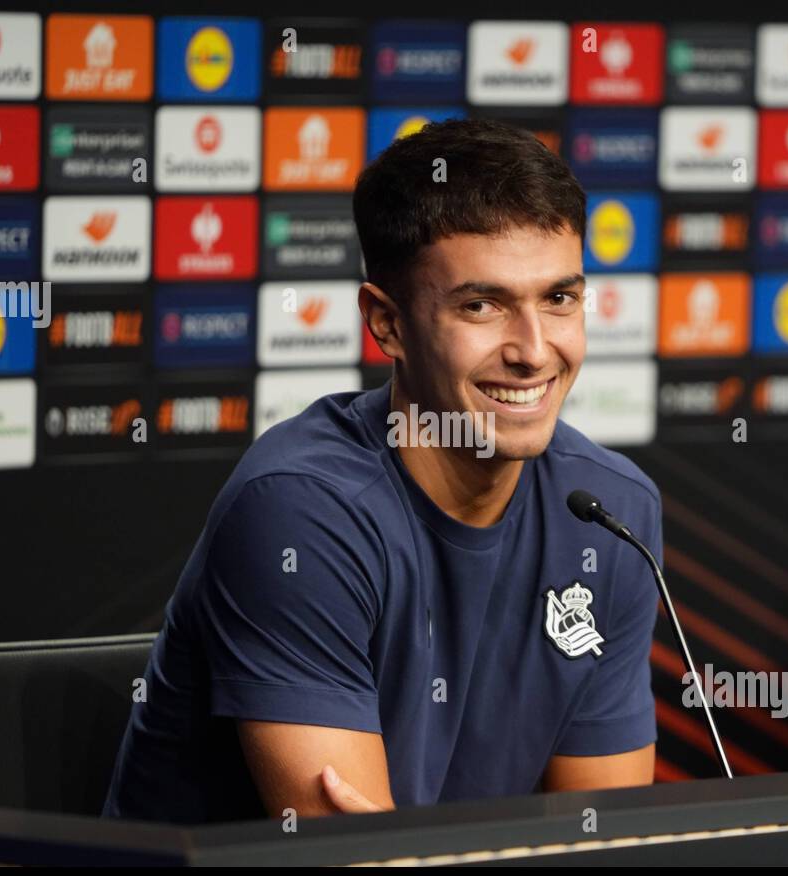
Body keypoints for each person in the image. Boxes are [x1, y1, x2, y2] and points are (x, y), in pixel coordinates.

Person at [103, 118, 663, 823]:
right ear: (387, 323)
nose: (533, 349)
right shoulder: (301, 512)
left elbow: (603, 845)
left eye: (559, 298)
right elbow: (353, 856)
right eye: (481, 306)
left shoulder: (611, 512)